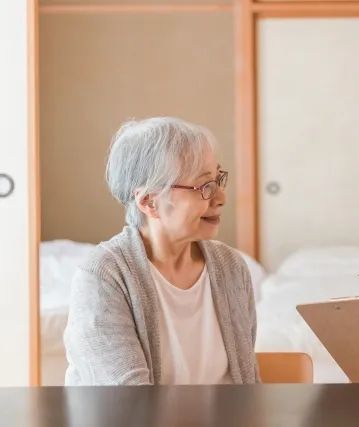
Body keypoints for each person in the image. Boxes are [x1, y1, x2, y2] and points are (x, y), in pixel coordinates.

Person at [63, 117, 260, 385]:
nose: (221, 197)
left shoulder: (231, 267)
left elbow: (248, 386)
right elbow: (128, 406)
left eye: (218, 179)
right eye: (204, 186)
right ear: (149, 202)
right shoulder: (104, 276)